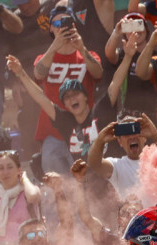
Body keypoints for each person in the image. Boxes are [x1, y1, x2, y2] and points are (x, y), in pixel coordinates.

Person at [33, 3, 105, 175]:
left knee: (87, 186)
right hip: (52, 132)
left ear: (74, 26)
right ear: (50, 28)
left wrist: (81, 47)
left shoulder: (88, 55)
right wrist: (55, 46)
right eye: (56, 24)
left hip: (83, 132)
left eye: (65, 23)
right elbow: (38, 74)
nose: (61, 27)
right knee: (55, 188)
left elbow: (98, 73)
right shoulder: (44, 57)